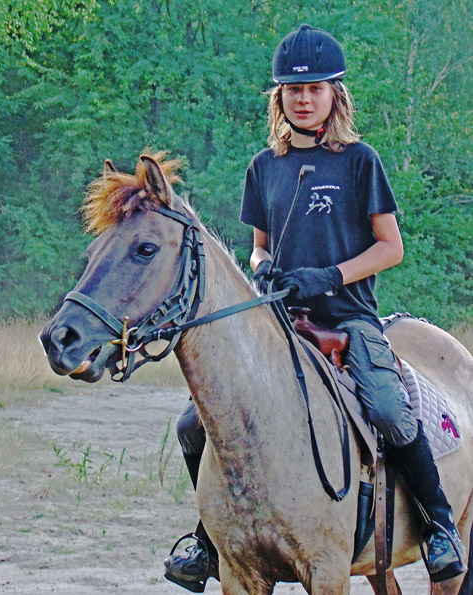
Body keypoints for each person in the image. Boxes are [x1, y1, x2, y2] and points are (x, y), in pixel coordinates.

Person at [164, 25, 467, 591]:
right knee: (193, 423)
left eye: (316, 89)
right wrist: (263, 271)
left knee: (387, 409)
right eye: (293, 90)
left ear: (335, 95)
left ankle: (439, 526)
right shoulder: (264, 168)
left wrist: (329, 275)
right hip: (279, 322)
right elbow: (258, 245)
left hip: (350, 318)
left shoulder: (359, 161)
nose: (304, 98)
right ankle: (209, 540)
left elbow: (391, 247)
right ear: (279, 97)